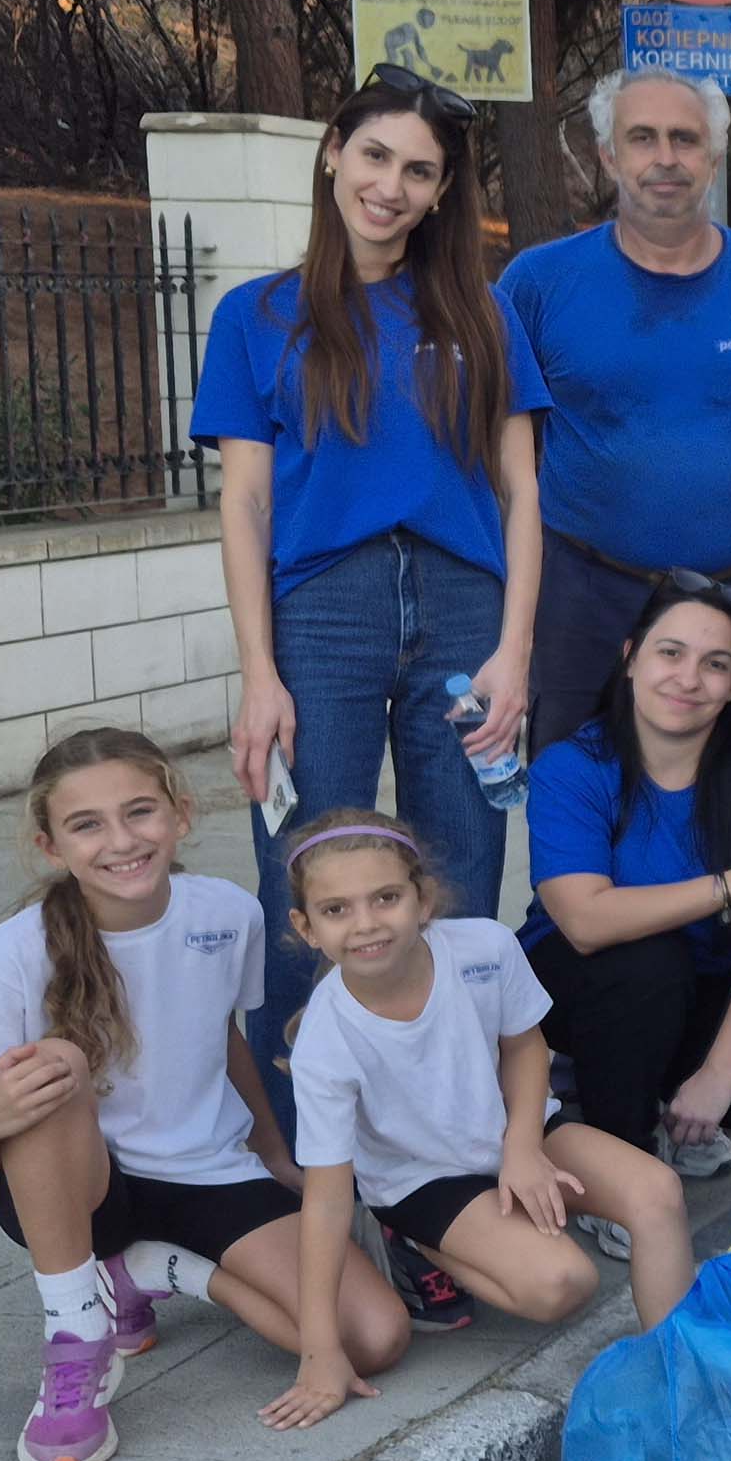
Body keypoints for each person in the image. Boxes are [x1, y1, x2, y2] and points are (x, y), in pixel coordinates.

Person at [198, 65, 548, 1325]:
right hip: (324, 612)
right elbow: (243, 503)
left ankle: (441, 1197)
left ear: (443, 191)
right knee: (315, 908)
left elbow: (521, 492)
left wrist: (513, 651)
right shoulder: (259, 314)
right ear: (332, 151)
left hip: (462, 610)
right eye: (376, 157)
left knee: (458, 908)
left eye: (420, 172)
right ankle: (324, 1209)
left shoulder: (482, 312)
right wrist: (259, 673)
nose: (392, 188)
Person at [0, 728, 408, 1461]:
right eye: (87, 825)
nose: (121, 841)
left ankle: (152, 1272)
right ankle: (76, 1331)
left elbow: (219, 1036)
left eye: (140, 812)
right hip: (82, 1194)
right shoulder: (9, 956)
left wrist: (273, 1154)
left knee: (374, 1338)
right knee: (55, 1067)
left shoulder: (226, 914)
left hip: (205, 1172)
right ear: (51, 846)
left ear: (181, 814)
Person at [266, 811, 690, 1430]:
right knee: (562, 1284)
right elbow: (327, 1203)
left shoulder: (486, 948)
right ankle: (412, 1243)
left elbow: (525, 1047)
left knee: (658, 1190)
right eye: (337, 910)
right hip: (424, 1179)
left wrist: (522, 1147)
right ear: (307, 928)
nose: (366, 924)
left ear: (423, 898)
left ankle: (680, 1375)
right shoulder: (327, 1042)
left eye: (386, 897)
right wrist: (320, 1351)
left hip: (516, 1131)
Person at [500, 66, 731, 752]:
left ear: (714, 155)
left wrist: (718, 518)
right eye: (642, 138)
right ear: (607, 155)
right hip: (585, 602)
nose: (666, 158)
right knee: (577, 807)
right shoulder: (537, 284)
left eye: (685, 138)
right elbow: (509, 457)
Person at [519, 576, 731, 1217]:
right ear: (631, 657)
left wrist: (718, 1075)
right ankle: (623, 1164)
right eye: (670, 653)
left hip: (715, 973)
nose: (689, 679)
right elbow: (583, 920)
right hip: (594, 973)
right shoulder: (572, 766)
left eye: (715, 665)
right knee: (645, 967)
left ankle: (631, 1085)